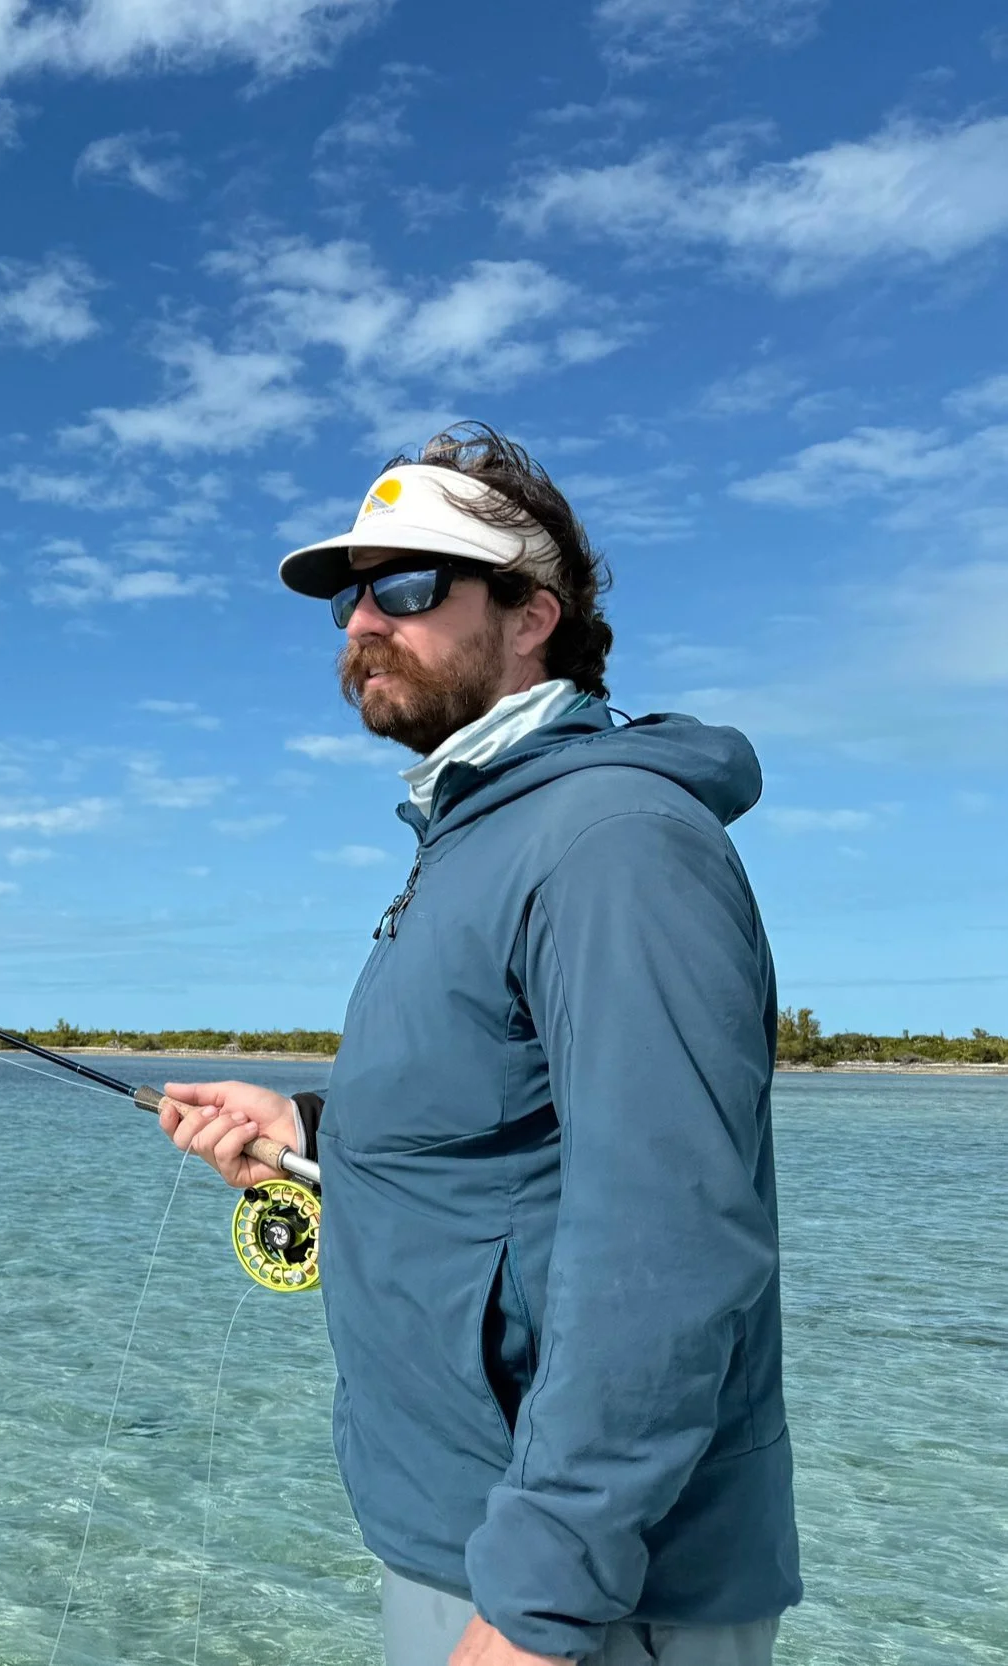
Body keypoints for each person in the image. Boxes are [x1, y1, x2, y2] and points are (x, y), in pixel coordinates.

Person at [158, 424, 799, 1666]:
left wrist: (541, 1601)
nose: (361, 623)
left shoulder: (614, 842)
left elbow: (669, 1245)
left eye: (407, 586)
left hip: (584, 1593)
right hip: (468, 1539)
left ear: (532, 616)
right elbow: (506, 1125)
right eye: (350, 599)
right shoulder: (477, 836)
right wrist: (312, 1133)